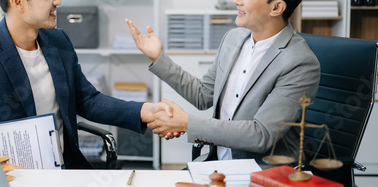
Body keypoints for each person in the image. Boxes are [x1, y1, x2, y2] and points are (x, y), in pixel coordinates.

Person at [0, 0, 171, 169]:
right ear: (18, 2)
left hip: (65, 171)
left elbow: (86, 99)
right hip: (12, 179)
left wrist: (143, 111)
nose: (58, 2)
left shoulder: (59, 41)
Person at [127, 0, 320, 165]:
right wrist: (159, 58)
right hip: (216, 165)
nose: (236, 1)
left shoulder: (300, 62)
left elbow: (261, 135)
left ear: (276, 8)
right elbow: (203, 95)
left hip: (261, 174)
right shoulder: (233, 39)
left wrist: (186, 123)